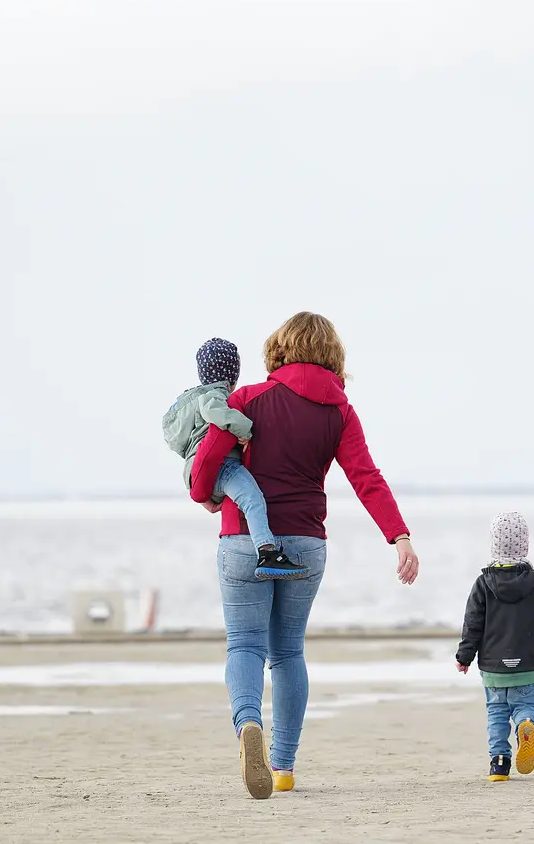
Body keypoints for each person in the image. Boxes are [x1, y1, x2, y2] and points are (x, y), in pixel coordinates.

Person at [190, 312, 419, 799]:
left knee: (245, 646)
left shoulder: (247, 399)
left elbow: (208, 457)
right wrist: (398, 536)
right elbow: (366, 478)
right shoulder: (340, 412)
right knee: (289, 652)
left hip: (244, 539)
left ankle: (248, 723)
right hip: (306, 543)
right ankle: (283, 767)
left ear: (279, 349)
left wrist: (202, 493)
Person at [163, 337, 308, 579]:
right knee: (253, 499)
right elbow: (215, 412)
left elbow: (182, 443)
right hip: (223, 466)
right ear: (233, 375)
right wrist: (246, 430)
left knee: (247, 498)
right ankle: (267, 552)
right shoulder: (214, 395)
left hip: (196, 470)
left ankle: (266, 551)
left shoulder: (190, 401)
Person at [455, 511, 534, 782]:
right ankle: (527, 725)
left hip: (493, 667)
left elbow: (472, 624)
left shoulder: (483, 583)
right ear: (525, 544)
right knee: (524, 704)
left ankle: (499, 764)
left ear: (493, 544)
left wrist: (464, 657)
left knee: (497, 713)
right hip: (525, 665)